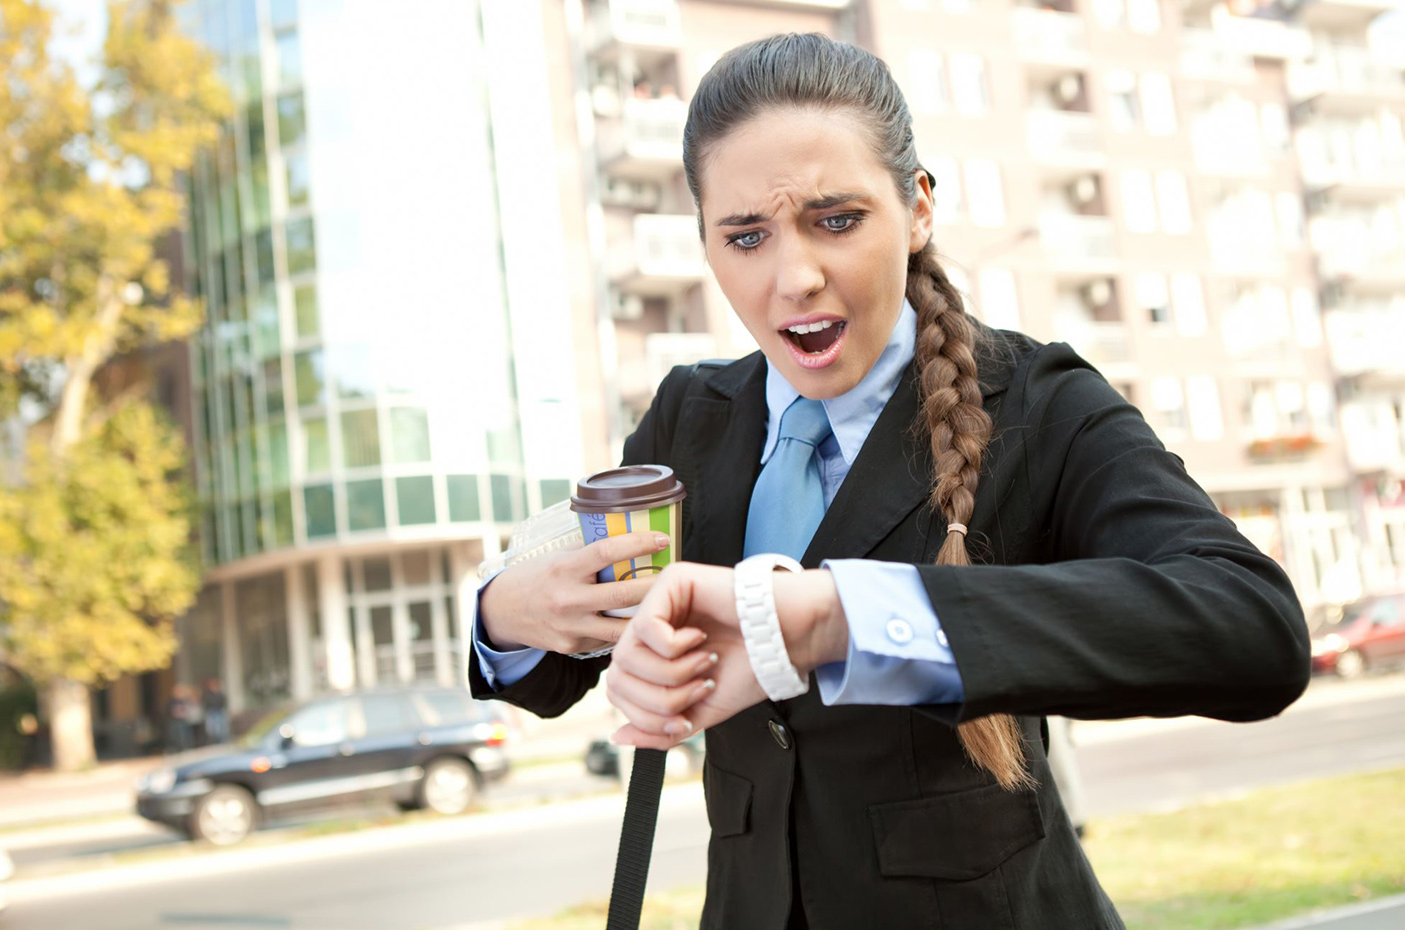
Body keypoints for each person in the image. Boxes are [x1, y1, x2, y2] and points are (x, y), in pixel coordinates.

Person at [470, 34, 1309, 929]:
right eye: (745, 236)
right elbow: (555, 670)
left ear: (916, 210)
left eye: (836, 220)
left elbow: (1251, 627)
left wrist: (834, 620)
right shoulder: (689, 415)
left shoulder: (1038, 402)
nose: (793, 277)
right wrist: (505, 615)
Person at [201, 678, 229, 745]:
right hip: (210, 712)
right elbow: (206, 702)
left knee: (219, 728)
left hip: (218, 711)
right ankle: (213, 741)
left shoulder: (220, 694)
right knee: (210, 729)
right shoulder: (207, 694)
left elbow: (223, 702)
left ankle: (220, 741)